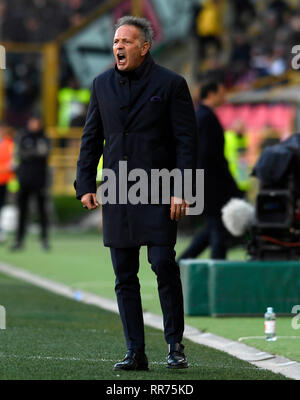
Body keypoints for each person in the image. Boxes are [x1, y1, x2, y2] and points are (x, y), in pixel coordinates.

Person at [75, 16, 197, 371]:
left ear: (145, 47)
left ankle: (175, 344)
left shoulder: (172, 84)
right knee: (124, 275)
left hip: (159, 189)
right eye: (116, 41)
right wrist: (84, 183)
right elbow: (91, 137)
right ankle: (135, 352)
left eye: (127, 41)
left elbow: (186, 143)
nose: (118, 47)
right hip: (116, 189)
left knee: (162, 263)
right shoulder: (100, 85)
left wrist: (183, 189)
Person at [177, 81, 241, 261]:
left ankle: (180, 263)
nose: (224, 97)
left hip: (206, 182)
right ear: (211, 94)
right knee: (217, 229)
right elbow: (208, 155)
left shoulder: (200, 116)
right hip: (211, 184)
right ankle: (217, 274)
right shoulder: (206, 118)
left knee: (212, 228)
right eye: (222, 92)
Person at [12, 115, 51, 251]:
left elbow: (45, 153)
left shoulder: (44, 137)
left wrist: (31, 154)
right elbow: (21, 154)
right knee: (22, 211)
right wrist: (35, 153)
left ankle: (44, 240)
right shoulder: (23, 137)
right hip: (24, 180)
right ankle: (19, 240)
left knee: (42, 211)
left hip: (40, 180)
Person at [0, 122, 15, 241]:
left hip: (5, 180)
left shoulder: (10, 144)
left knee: (3, 206)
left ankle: (2, 231)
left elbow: (13, 163)